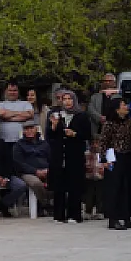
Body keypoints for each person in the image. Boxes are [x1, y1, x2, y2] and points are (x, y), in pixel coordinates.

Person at [47, 91, 90, 224]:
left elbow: (87, 134)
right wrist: (54, 126)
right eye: (64, 99)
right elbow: (49, 135)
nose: (67, 101)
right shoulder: (56, 115)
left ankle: (74, 215)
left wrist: (75, 134)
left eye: (69, 99)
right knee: (59, 185)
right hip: (59, 154)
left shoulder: (81, 116)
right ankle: (58, 215)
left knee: (74, 185)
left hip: (75, 154)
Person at [97, 100, 131, 229]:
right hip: (114, 156)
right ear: (116, 109)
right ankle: (113, 218)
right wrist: (104, 160)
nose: (126, 107)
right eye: (123, 105)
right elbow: (103, 142)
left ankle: (126, 216)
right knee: (114, 188)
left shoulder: (129, 122)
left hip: (128, 155)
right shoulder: (109, 124)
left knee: (127, 187)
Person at [7, 121, 51, 217]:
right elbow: (19, 163)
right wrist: (35, 171)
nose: (29, 131)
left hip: (46, 170)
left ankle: (50, 205)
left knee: (58, 179)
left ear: (36, 129)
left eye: (32, 128)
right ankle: (46, 205)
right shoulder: (18, 145)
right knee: (36, 183)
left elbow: (51, 159)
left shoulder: (44, 144)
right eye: (27, 129)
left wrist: (48, 169)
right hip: (27, 173)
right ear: (23, 132)